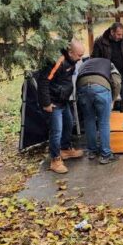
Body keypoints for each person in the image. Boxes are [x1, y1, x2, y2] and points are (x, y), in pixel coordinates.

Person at [37, 40, 85, 174]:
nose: (81, 58)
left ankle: (65, 149)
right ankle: (55, 160)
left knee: (69, 125)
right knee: (56, 131)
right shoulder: (58, 61)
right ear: (70, 52)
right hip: (53, 103)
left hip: (63, 101)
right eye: (79, 55)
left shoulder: (72, 62)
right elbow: (44, 81)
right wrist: (46, 103)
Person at [76, 57, 122, 165]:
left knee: (89, 120)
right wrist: (113, 99)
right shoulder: (109, 63)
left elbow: (77, 77)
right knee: (104, 122)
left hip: (82, 88)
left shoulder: (85, 63)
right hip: (101, 88)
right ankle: (106, 155)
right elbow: (117, 82)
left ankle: (92, 152)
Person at [91, 22, 123, 113]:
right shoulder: (100, 41)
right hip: (107, 76)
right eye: (118, 34)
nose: (121, 36)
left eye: (122, 34)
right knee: (107, 101)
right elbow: (94, 59)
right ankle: (107, 121)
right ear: (112, 32)